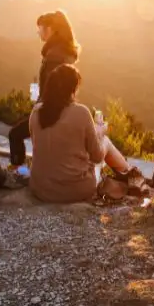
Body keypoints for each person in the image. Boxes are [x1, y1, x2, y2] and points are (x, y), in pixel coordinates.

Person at [28, 65, 143, 203]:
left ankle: (129, 172)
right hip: (73, 191)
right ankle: (130, 173)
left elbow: (43, 146)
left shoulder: (36, 111)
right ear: (73, 89)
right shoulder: (81, 112)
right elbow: (97, 157)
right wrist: (99, 132)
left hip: (40, 187)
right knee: (105, 141)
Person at [9, 10, 80, 167]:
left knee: (14, 134)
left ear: (50, 29)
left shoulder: (54, 56)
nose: (38, 33)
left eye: (40, 29)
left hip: (50, 112)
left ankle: (17, 170)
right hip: (62, 109)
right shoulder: (64, 50)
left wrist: (37, 110)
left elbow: (51, 89)